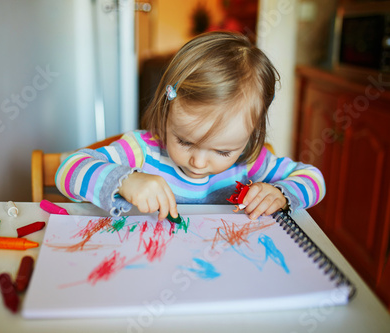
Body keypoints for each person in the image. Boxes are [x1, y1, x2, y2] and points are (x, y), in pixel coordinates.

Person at [56, 31, 325, 221]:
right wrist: (126, 181)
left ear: (251, 135)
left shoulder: (250, 162)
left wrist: (280, 193)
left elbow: (314, 179)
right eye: (184, 141)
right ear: (166, 110)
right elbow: (67, 169)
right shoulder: (141, 150)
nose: (197, 162)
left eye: (222, 152)